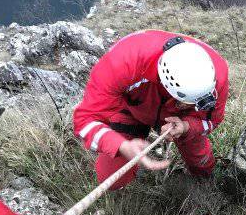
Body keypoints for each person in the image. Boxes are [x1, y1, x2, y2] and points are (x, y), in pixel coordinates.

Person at [73, 31, 229, 188]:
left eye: (191, 102)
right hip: (133, 108)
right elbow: (84, 121)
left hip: (183, 118)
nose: (185, 105)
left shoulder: (216, 76)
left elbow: (212, 120)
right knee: (111, 178)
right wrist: (121, 146)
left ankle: (205, 179)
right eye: (183, 102)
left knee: (201, 162)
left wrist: (187, 127)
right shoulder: (124, 62)